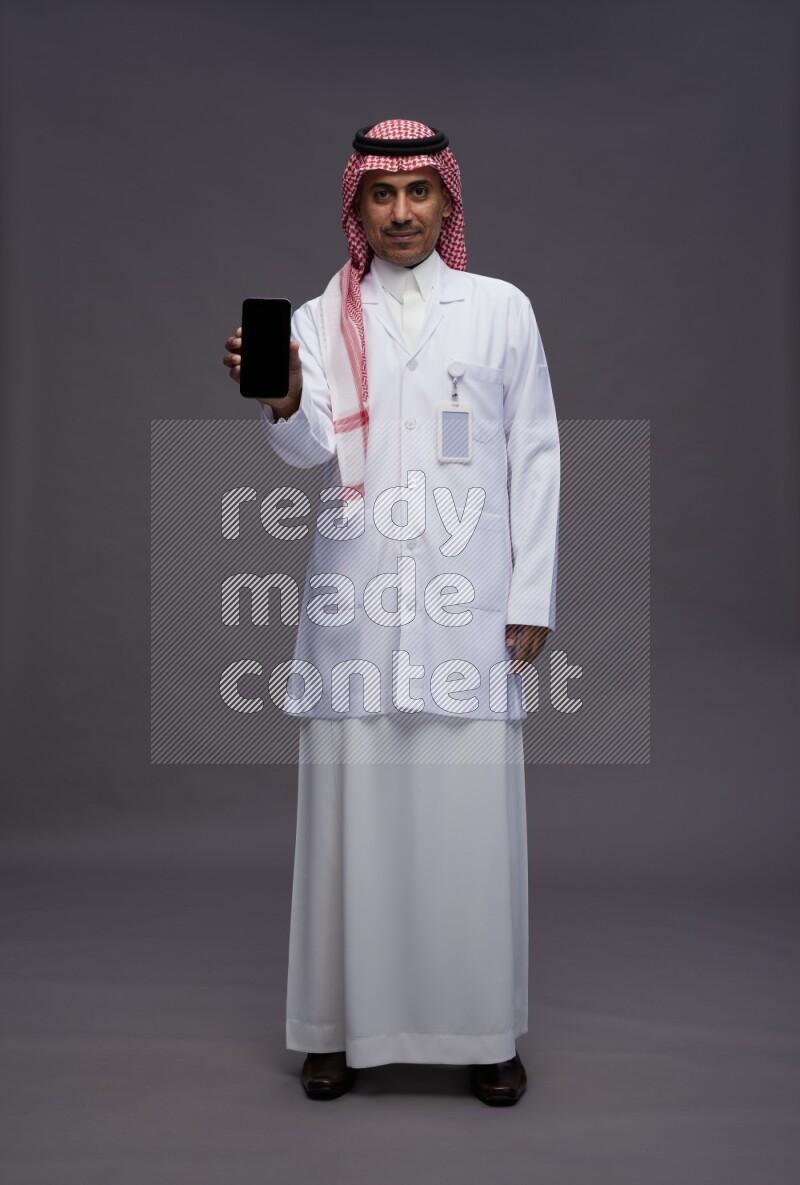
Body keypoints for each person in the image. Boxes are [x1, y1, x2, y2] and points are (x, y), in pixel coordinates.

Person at [222, 118, 560, 1105]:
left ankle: (483, 1032)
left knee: (468, 831)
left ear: (446, 201)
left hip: (468, 604)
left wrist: (531, 592)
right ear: (357, 205)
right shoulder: (321, 316)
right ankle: (336, 1029)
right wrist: (284, 395)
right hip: (359, 599)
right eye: (383, 194)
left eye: (419, 192)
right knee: (351, 826)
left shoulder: (499, 310)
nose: (401, 211)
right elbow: (308, 451)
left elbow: (535, 453)